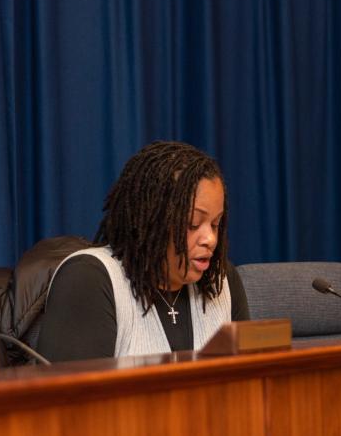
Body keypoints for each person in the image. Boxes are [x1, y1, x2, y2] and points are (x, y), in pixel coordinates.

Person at [37, 140, 249, 361]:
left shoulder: (222, 281)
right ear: (152, 220)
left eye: (216, 224)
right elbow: (73, 394)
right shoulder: (89, 279)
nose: (211, 239)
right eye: (193, 224)